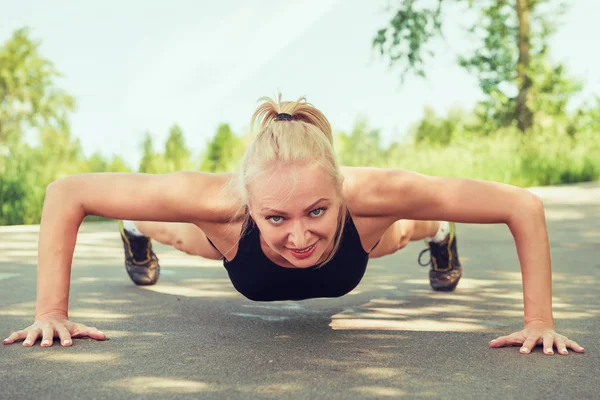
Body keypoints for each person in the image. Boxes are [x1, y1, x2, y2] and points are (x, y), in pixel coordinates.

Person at [3, 94, 584, 356]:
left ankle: (439, 236)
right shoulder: (217, 202)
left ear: (340, 189)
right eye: (276, 216)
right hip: (229, 249)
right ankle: (137, 225)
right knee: (184, 236)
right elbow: (67, 193)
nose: (300, 236)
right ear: (249, 203)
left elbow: (523, 206)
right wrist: (50, 312)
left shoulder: (374, 194)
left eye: (317, 211)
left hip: (364, 244)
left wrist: (540, 322)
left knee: (401, 230)